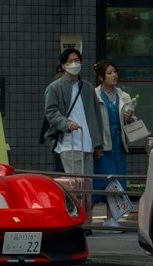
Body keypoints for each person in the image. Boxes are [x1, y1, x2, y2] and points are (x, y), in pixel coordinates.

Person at [43, 47, 107, 187]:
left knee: (87, 185)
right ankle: (79, 209)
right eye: (70, 61)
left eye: (77, 60)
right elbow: (51, 112)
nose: (74, 64)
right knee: (77, 185)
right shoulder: (55, 88)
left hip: (87, 144)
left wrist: (98, 144)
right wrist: (67, 124)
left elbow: (96, 116)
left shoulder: (88, 88)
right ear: (63, 65)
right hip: (68, 142)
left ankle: (85, 209)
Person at [93, 59, 137, 226]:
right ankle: (92, 218)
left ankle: (112, 218)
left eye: (115, 72)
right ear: (101, 77)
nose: (114, 75)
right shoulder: (94, 95)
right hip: (103, 142)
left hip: (118, 143)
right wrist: (95, 144)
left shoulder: (123, 95)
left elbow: (130, 120)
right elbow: (93, 121)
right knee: (102, 180)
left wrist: (129, 117)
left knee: (117, 180)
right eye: (109, 73)